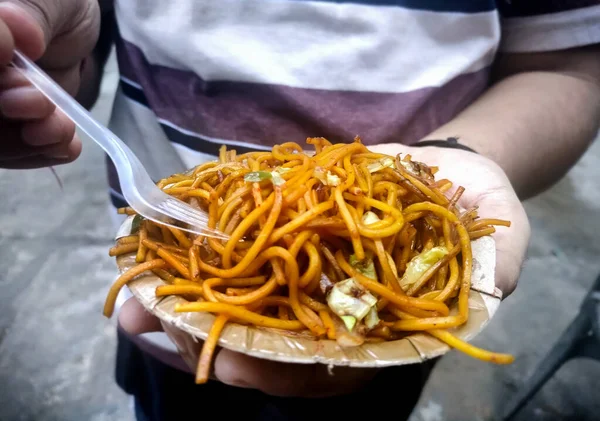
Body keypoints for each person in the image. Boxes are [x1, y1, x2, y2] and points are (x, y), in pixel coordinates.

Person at [1, 0, 599, 419]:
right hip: (172, 309)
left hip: (379, 341)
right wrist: (48, 77)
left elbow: (567, 64)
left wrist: (462, 157)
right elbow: (76, 57)